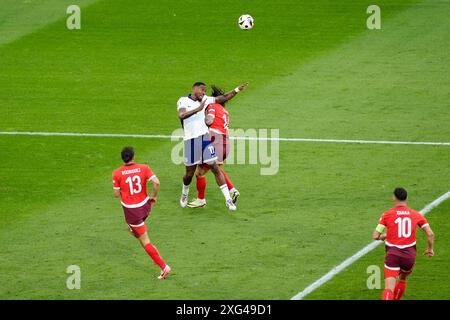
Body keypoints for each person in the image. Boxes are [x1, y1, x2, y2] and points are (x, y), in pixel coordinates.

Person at [177, 81, 248, 211]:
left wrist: (237, 89)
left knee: (214, 167)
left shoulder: (206, 100)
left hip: (205, 139)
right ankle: (184, 194)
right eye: (202, 90)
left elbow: (223, 98)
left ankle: (228, 200)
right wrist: (198, 110)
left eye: (205, 91)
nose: (203, 93)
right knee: (189, 174)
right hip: (191, 141)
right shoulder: (182, 100)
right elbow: (181, 115)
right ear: (194, 89)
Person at [112, 146, 171, 280]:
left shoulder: (117, 173)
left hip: (132, 212)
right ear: (134, 156)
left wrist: (125, 191)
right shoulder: (144, 167)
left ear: (122, 158)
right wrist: (154, 196)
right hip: (145, 207)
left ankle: (164, 267)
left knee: (144, 241)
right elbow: (156, 182)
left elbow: (116, 194)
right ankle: (139, 234)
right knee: (136, 230)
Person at [373, 187, 434, 300]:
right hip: (409, 256)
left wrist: (384, 236)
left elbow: (375, 235)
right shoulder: (416, 214)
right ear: (406, 198)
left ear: (394, 197)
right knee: (402, 278)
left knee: (388, 288)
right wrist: (430, 249)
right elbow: (430, 234)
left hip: (393, 254)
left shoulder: (387, 214)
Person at [188, 85, 239, 208]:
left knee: (199, 172)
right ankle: (232, 190)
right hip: (226, 144)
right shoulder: (225, 111)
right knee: (215, 169)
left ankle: (201, 199)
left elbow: (209, 120)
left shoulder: (212, 106)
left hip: (215, 141)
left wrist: (202, 122)